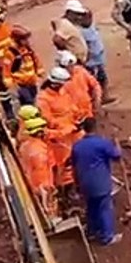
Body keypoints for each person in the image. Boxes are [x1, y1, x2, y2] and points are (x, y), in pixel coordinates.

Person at [68, 118, 122, 246]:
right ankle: (107, 237)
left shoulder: (77, 146)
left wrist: (76, 183)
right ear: (95, 128)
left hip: (85, 183)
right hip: (100, 182)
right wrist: (117, 145)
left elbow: (74, 166)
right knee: (104, 208)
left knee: (91, 207)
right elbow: (117, 156)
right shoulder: (102, 143)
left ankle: (91, 231)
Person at [36, 67, 81, 202]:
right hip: (60, 138)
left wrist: (78, 116)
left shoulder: (63, 91)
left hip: (73, 131)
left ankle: (80, 181)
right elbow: (48, 119)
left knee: (80, 156)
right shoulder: (43, 99)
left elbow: (70, 106)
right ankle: (68, 189)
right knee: (66, 163)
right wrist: (66, 127)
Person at [63, 0, 109, 103]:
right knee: (90, 82)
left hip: (97, 58)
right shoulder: (77, 30)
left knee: (102, 78)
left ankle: (102, 97)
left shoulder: (91, 28)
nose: (89, 19)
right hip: (89, 61)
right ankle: (93, 101)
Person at [18, 114, 59, 220]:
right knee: (49, 212)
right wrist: (47, 188)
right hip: (43, 186)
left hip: (31, 184)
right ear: (39, 132)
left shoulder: (24, 146)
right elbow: (41, 171)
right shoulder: (40, 151)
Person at [55, 51, 101, 122]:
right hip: (72, 119)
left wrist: (97, 98)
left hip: (88, 113)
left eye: (72, 65)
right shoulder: (58, 80)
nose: (71, 68)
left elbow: (95, 85)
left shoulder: (81, 71)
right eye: (68, 66)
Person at [8, 26, 42, 105]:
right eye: (24, 39)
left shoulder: (28, 50)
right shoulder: (11, 53)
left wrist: (39, 72)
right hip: (21, 85)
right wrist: (12, 85)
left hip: (32, 82)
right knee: (28, 103)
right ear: (17, 40)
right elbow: (7, 70)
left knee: (33, 100)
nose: (27, 41)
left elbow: (36, 61)